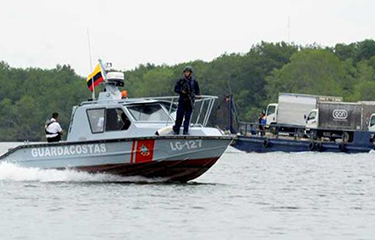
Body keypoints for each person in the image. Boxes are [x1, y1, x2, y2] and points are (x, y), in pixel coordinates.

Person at [173, 66, 200, 135]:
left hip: (190, 100)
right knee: (179, 115)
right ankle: (176, 130)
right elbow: (176, 89)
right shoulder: (181, 81)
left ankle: (185, 130)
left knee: (188, 116)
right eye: (185, 72)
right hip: (182, 100)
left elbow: (197, 90)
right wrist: (181, 91)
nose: (186, 73)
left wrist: (198, 95)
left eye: (188, 72)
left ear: (190, 73)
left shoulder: (194, 81)